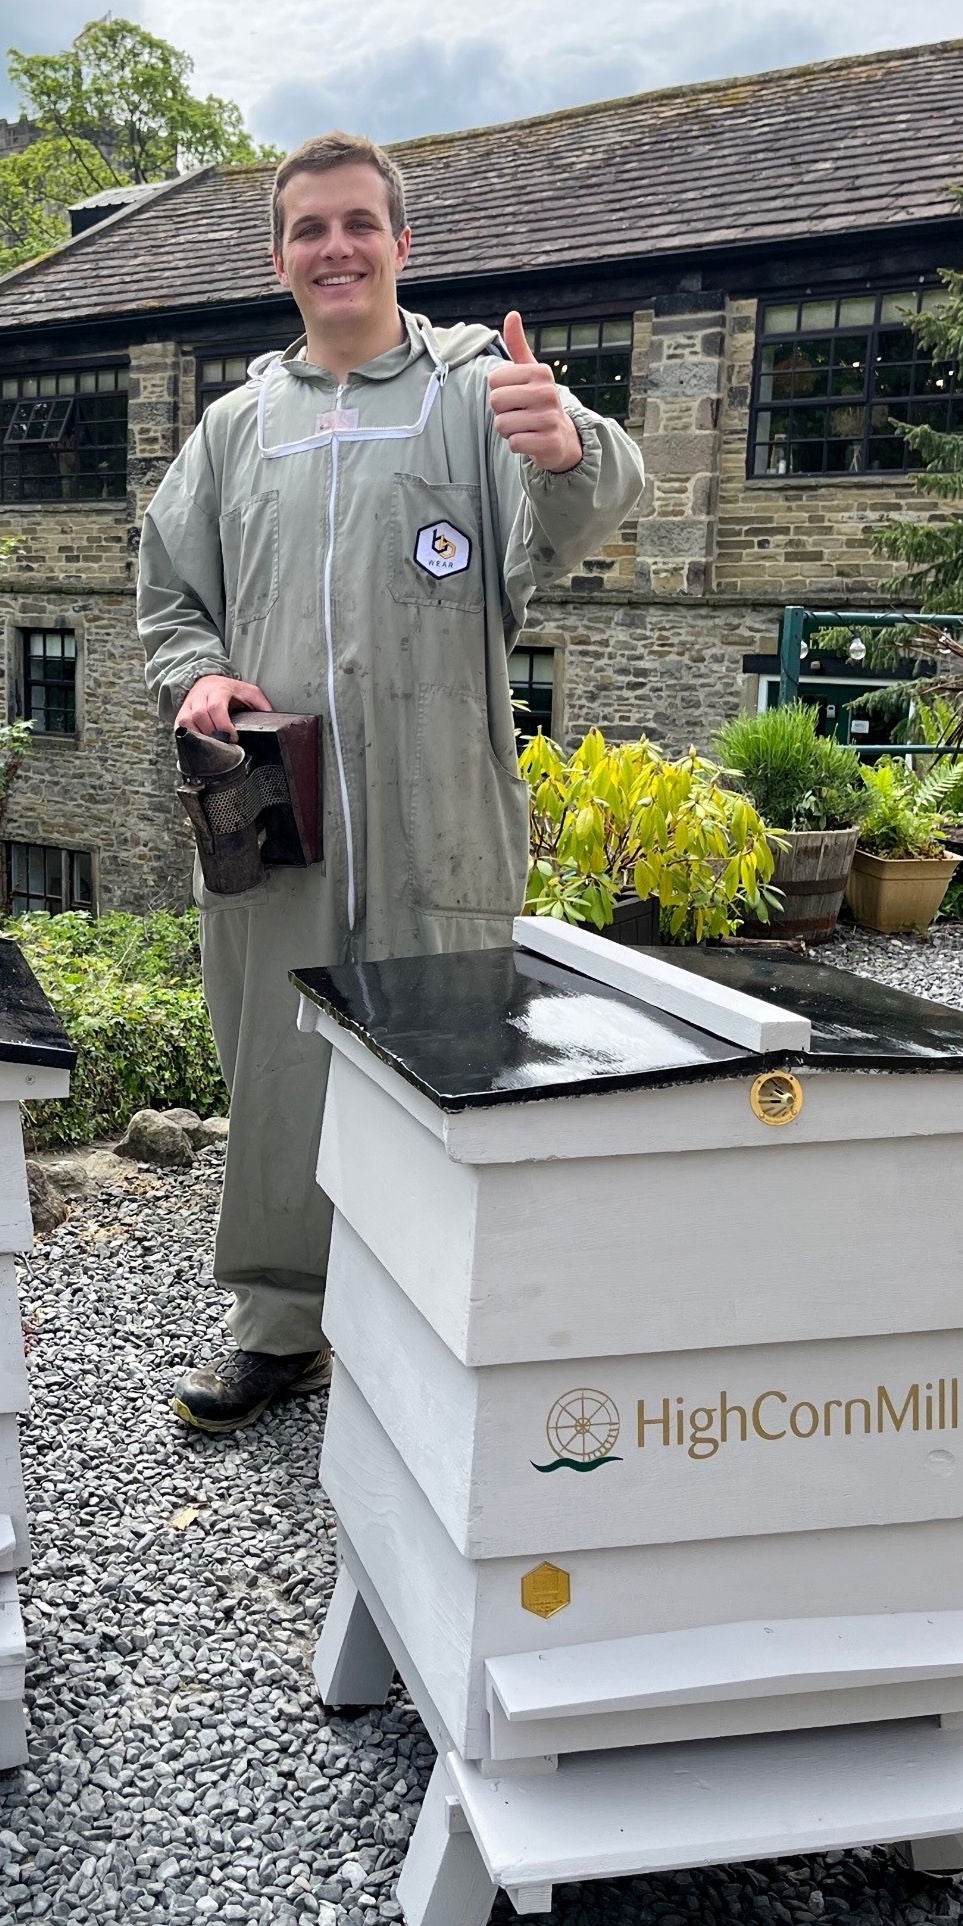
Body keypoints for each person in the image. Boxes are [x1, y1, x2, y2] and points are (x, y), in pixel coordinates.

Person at [137, 132, 647, 1432]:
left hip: (440, 806)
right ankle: (278, 1325)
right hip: (276, 816)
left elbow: (595, 500)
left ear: (402, 246)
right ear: (280, 259)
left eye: (360, 223)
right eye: (311, 228)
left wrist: (565, 444)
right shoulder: (232, 431)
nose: (337, 247)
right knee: (277, 1062)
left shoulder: (476, 387)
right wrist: (196, 675)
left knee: (448, 1051)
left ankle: (441, 1327)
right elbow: (167, 597)